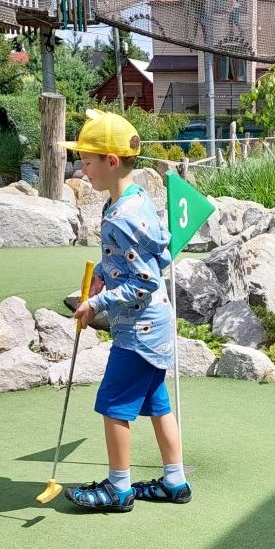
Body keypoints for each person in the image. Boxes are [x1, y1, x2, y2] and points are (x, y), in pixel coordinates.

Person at [61, 109, 191, 513]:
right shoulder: (135, 200)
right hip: (156, 323)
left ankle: (119, 489)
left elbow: (144, 281)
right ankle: (175, 481)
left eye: (87, 161)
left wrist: (96, 303)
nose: (82, 169)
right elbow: (143, 258)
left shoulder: (121, 217)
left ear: (111, 161)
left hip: (138, 330)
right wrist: (102, 274)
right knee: (156, 401)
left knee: (114, 404)